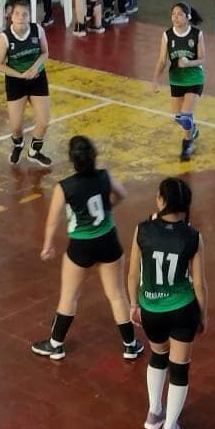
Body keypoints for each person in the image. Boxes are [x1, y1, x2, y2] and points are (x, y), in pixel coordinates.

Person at [31, 135, 143, 361]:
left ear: (72, 160)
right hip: (108, 241)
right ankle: (130, 345)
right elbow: (122, 194)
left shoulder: (65, 187)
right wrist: (107, 207)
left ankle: (56, 345)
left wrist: (48, 245)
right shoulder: (104, 176)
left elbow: (53, 219)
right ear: (94, 155)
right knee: (117, 296)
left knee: (69, 296)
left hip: (81, 246)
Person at [127, 177, 207, 429]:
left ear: (161, 201)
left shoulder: (142, 230)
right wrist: (203, 315)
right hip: (183, 309)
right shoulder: (193, 236)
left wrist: (134, 304)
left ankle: (154, 413)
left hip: (151, 308)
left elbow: (133, 274)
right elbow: (199, 283)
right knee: (180, 368)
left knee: (158, 356)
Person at [0, 0, 53, 166]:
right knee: (16, 127)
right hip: (15, 82)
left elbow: (45, 52)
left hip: (37, 79)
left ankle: (34, 152)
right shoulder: (5, 37)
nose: (21, 17)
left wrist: (35, 68)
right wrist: (20, 75)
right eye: (17, 14)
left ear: (29, 16)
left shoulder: (37, 30)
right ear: (11, 16)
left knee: (44, 121)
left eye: (25, 14)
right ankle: (18, 144)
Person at [152, 2, 205, 161]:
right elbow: (162, 60)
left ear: (187, 17)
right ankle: (193, 130)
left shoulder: (196, 34)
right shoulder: (167, 35)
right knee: (178, 118)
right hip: (176, 79)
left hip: (194, 77)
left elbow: (203, 58)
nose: (175, 17)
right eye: (173, 14)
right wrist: (155, 79)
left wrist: (189, 63)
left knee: (186, 115)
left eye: (180, 14)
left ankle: (187, 144)